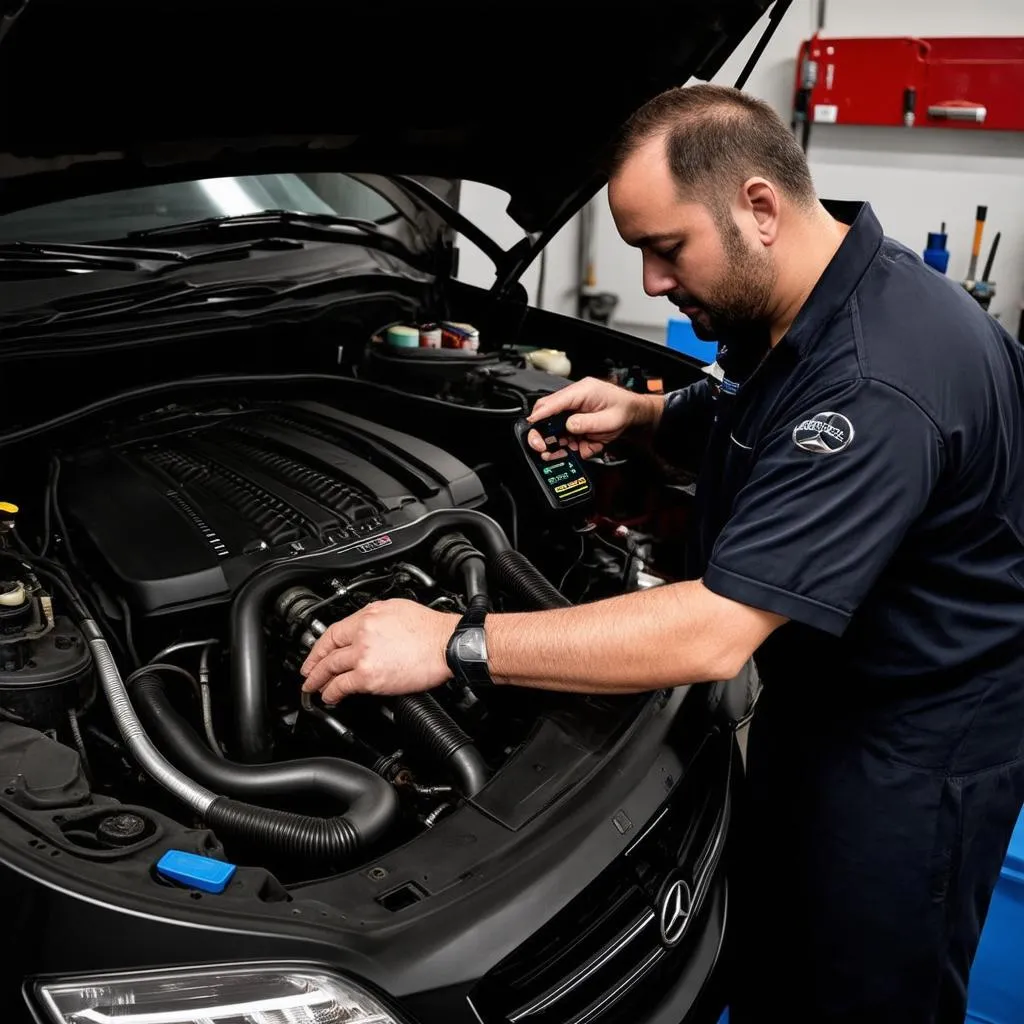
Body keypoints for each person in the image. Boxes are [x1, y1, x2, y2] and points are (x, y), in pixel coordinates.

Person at [300, 84, 1024, 1023]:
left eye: (664, 248)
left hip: (913, 753)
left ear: (759, 207)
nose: (649, 282)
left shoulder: (881, 379)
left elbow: (714, 631)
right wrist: (644, 418)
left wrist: (451, 641)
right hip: (831, 697)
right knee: (775, 958)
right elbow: (754, 415)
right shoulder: (816, 293)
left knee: (864, 991)